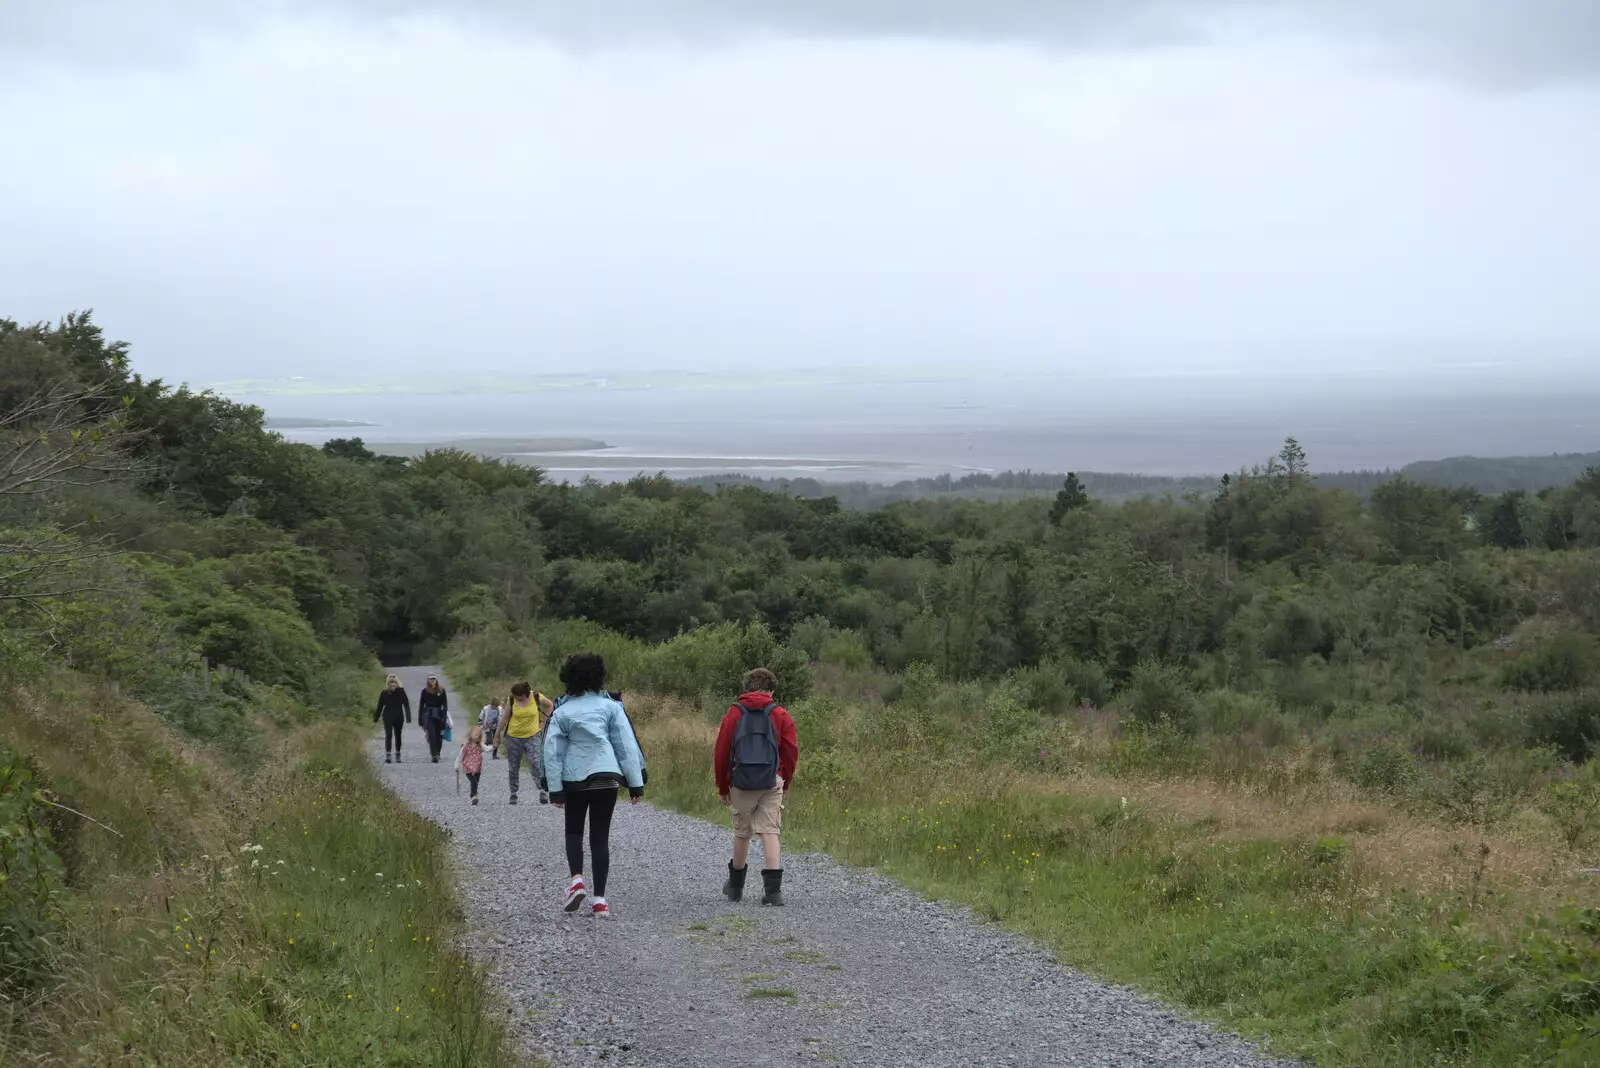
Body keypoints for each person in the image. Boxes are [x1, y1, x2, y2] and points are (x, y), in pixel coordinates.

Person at [544, 652, 645, 919]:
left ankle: (577, 880)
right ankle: (600, 901)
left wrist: (555, 788)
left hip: (575, 779)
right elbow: (626, 746)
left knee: (574, 831)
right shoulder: (612, 707)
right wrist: (635, 784)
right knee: (600, 838)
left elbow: (552, 752)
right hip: (607, 776)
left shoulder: (562, 711)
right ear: (599, 676)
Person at [714, 667, 798, 907]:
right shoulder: (780, 714)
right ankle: (773, 893)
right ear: (771, 690)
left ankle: (736, 888)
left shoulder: (734, 713)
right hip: (772, 779)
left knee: (742, 833)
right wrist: (786, 779)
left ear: (746, 688)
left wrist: (722, 785)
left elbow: (721, 753)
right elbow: (791, 752)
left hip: (741, 781)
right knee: (770, 831)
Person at [496, 682, 553, 805]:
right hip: (513, 737)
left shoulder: (536, 697)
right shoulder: (511, 700)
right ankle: (513, 793)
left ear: (524, 694)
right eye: (514, 696)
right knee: (513, 767)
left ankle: (542, 790)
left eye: (518, 696)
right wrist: (497, 735)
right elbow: (505, 718)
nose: (516, 698)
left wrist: (543, 723)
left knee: (536, 762)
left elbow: (550, 706)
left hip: (533, 735)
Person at [373, 674, 411, 764]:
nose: (392, 687)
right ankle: (388, 754)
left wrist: (408, 717)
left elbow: (406, 704)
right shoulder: (384, 693)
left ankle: (398, 754)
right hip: (387, 716)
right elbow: (380, 706)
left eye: (394, 685)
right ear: (388, 685)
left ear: (396, 684)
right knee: (388, 735)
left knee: (398, 735)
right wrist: (375, 718)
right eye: (391, 685)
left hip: (398, 716)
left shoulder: (401, 692)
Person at [419, 674, 450, 762]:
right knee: (432, 735)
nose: (432, 681)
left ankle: (438, 752)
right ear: (428, 680)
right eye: (430, 679)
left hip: (439, 715)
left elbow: (445, 705)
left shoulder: (441, 691)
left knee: (439, 735)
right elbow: (421, 705)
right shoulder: (425, 691)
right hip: (428, 715)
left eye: (433, 679)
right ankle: (434, 755)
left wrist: (444, 717)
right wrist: (420, 719)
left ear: (436, 680)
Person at [454, 726, 487, 804]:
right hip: (468, 768)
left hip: (478, 767)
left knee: (476, 781)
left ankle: (474, 795)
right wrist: (457, 765)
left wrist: (494, 746)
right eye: (475, 735)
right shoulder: (465, 746)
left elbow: (487, 749)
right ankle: (473, 796)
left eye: (479, 735)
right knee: (474, 782)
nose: (477, 737)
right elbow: (460, 756)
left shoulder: (480, 745)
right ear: (470, 735)